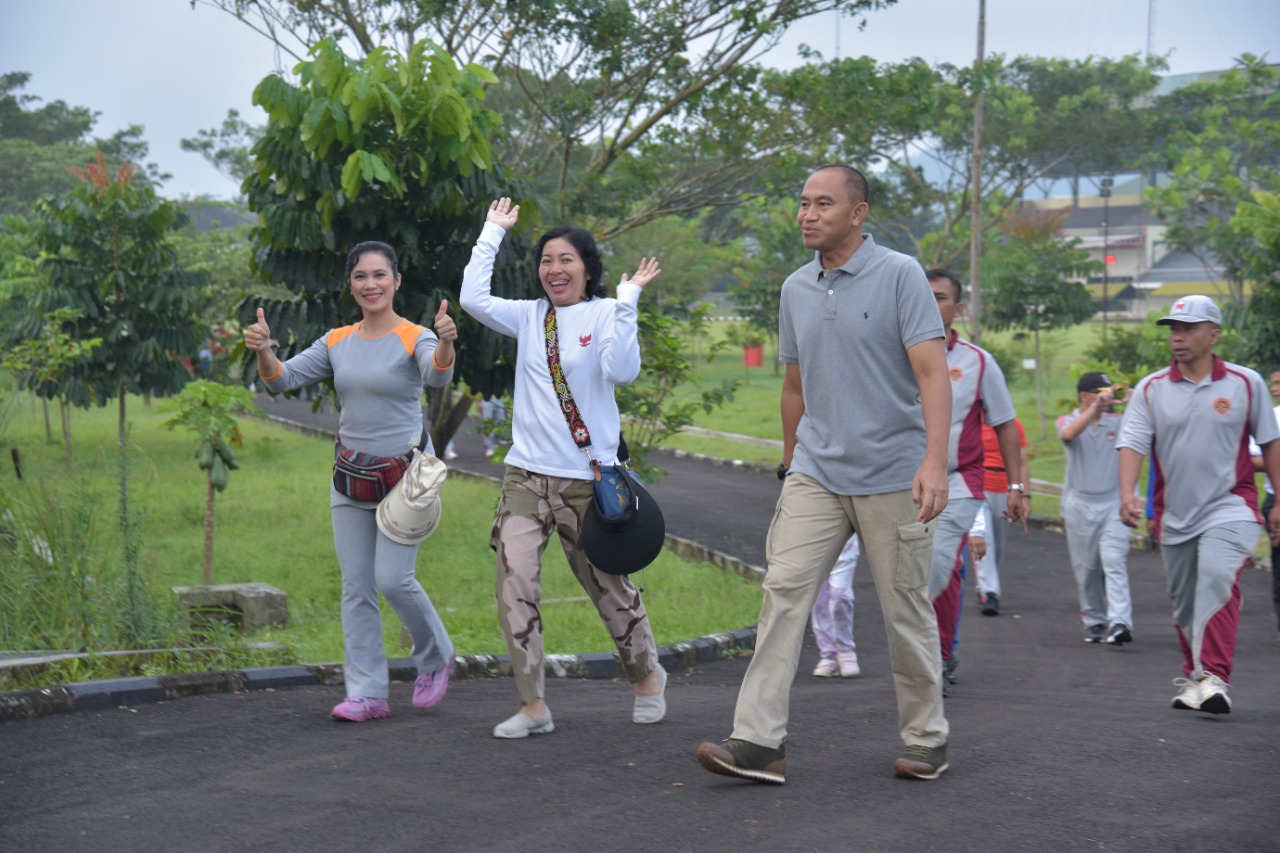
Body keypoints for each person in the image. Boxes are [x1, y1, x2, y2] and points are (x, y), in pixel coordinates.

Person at [695, 164, 953, 784]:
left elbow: (932, 373)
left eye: (824, 204)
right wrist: (791, 463)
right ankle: (759, 743)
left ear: (858, 212)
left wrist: (935, 462)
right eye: (803, 203)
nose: (808, 214)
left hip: (893, 472)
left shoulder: (899, 275)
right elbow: (794, 383)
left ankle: (927, 740)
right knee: (782, 594)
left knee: (904, 611)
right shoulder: (795, 288)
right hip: (816, 471)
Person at [459, 198, 667, 739]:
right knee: (515, 583)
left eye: (567, 260)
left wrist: (627, 303)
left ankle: (646, 676)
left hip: (588, 479)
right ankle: (533, 705)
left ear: (588, 270)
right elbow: (472, 297)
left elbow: (622, 370)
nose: (555, 269)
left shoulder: (603, 313)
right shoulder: (530, 316)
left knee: (607, 584)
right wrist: (492, 231)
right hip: (525, 475)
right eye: (547, 260)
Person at [244, 241, 458, 722]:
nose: (371, 284)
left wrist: (445, 341)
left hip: (405, 480)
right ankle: (367, 693)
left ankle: (436, 656)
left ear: (396, 281)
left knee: (393, 580)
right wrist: (263, 351)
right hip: (350, 478)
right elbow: (280, 379)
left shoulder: (415, 336)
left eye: (380, 275)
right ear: (351, 284)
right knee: (357, 586)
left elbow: (437, 376)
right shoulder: (337, 340)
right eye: (361, 276)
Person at [1116, 295, 1280, 715]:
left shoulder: (1245, 383)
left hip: (1232, 505)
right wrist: (1128, 493)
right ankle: (1197, 677)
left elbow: (1270, 442)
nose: (1178, 337)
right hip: (1174, 514)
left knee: (1216, 576)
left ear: (1214, 334)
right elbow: (1133, 442)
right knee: (1187, 602)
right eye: (1173, 329)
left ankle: (1214, 677)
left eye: (1189, 329)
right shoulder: (1152, 389)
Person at [924, 269, 1027, 691]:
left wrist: (1017, 487)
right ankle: (938, 653)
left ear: (958, 308)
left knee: (938, 563)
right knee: (932, 576)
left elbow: (1005, 425)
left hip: (958, 483)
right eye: (923, 296)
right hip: (899, 483)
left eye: (941, 297)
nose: (932, 305)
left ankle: (931, 660)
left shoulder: (978, 362)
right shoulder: (891, 354)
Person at [1057, 372, 1134, 646]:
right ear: (1085, 396)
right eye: (1099, 393)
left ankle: (1120, 621)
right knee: (1086, 568)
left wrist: (1135, 403)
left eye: (1108, 392)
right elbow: (1068, 435)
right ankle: (1095, 621)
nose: (1106, 398)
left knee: (1113, 560)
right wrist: (1093, 409)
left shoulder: (1118, 422)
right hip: (1080, 505)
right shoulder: (1067, 421)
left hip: (1112, 502)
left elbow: (1144, 431)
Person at [973, 417, 1028, 616]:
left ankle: (986, 584)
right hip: (978, 488)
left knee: (998, 545)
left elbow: (1022, 461)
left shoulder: (1013, 424)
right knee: (983, 536)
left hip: (1004, 489)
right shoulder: (971, 420)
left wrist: (1025, 496)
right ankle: (989, 592)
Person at [1247, 365, 1280, 645]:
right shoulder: (1271, 417)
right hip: (1276, 499)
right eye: (1273, 383)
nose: (1275, 388)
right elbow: (1251, 459)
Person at [810, 533, 861, 678]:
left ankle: (845, 650)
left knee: (840, 595)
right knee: (818, 602)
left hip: (844, 542)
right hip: (812, 542)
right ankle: (829, 654)